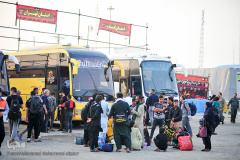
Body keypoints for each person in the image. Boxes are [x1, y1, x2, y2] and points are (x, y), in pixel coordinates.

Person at [0, 88, 7, 155]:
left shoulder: (4, 101)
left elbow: (7, 110)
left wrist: (3, 113)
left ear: (0, 93)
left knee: (2, 134)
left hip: (0, 120)